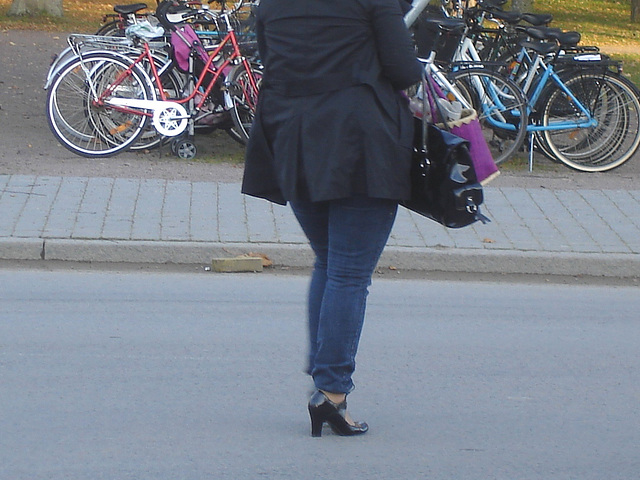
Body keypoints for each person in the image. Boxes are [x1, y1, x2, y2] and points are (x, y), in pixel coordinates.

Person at [241, 0, 422, 437]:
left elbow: (271, 60)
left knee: (329, 262)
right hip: (359, 142)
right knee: (348, 273)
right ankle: (332, 392)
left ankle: (325, 375)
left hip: (294, 141)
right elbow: (404, 71)